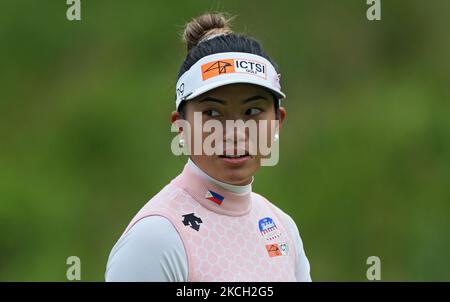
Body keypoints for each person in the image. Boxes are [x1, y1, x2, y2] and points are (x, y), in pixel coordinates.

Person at [105, 12, 311, 282]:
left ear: (277, 122)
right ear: (181, 126)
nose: (236, 133)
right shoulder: (156, 239)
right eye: (213, 113)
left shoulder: (282, 228)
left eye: (252, 110)